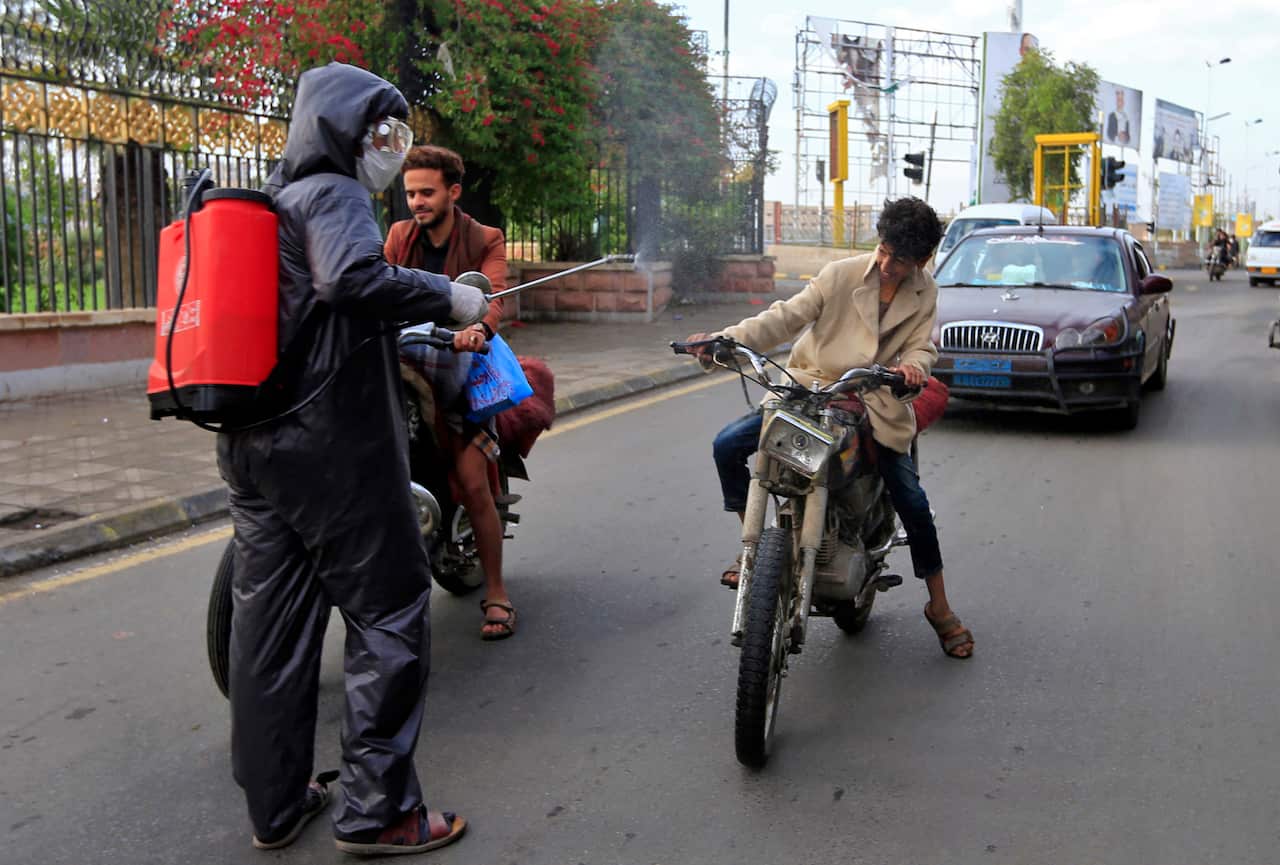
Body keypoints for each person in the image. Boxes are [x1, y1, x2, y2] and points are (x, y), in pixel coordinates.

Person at [217, 62, 485, 855]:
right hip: (330, 445)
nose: (393, 153)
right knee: (394, 604)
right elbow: (350, 279)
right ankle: (378, 811)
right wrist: (449, 297)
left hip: (253, 442)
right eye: (383, 133)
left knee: (269, 627)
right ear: (341, 129)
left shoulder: (272, 200)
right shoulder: (334, 192)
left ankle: (273, 804)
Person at [687, 197, 974, 659]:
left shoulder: (925, 292)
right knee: (727, 446)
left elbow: (922, 347)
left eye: (899, 258)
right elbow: (783, 318)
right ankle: (753, 549)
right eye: (882, 249)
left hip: (873, 399)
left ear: (920, 261)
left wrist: (915, 368)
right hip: (807, 393)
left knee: (914, 503)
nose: (885, 262)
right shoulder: (840, 275)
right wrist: (725, 341)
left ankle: (939, 606)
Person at [384, 145, 516, 640]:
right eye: (410, 193)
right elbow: (379, 286)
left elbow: (492, 299)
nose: (417, 202)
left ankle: (498, 591)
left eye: (426, 192)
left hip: (462, 362)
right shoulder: (399, 236)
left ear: (452, 192)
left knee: (470, 479)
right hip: (405, 357)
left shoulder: (485, 238)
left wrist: (478, 328)